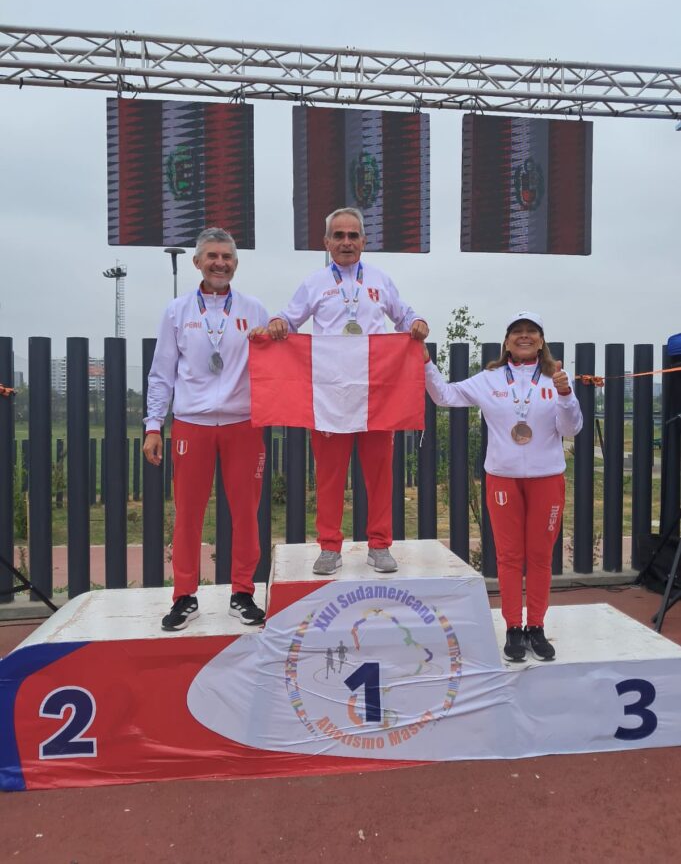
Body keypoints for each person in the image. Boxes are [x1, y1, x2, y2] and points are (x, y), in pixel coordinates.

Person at [267, 207, 429, 575]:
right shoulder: (314, 283)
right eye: (338, 236)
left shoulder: (381, 280)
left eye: (353, 236)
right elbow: (289, 318)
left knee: (380, 475)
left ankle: (380, 544)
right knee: (330, 476)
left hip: (375, 394)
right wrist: (277, 322)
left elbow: (405, 315)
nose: (346, 242)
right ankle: (329, 547)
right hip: (331, 396)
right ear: (326, 242)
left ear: (364, 241)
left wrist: (417, 322)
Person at [423, 311, 583, 662]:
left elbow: (571, 429)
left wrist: (566, 394)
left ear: (541, 341)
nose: (524, 336)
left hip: (546, 478)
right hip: (502, 478)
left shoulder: (555, 377)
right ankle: (513, 627)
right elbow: (444, 396)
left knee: (540, 556)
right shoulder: (490, 378)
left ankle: (536, 626)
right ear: (507, 342)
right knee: (509, 556)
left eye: (531, 331)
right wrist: (426, 364)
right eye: (517, 331)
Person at [144, 228, 269, 631]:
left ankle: (243, 593)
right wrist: (153, 425)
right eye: (212, 256)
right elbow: (161, 373)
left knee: (246, 513)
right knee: (188, 514)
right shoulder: (177, 311)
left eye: (227, 257)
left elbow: (277, 363)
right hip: (191, 424)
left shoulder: (255, 309)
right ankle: (184, 596)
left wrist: (276, 335)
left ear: (236, 264)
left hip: (242, 424)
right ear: (197, 262)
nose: (220, 263)